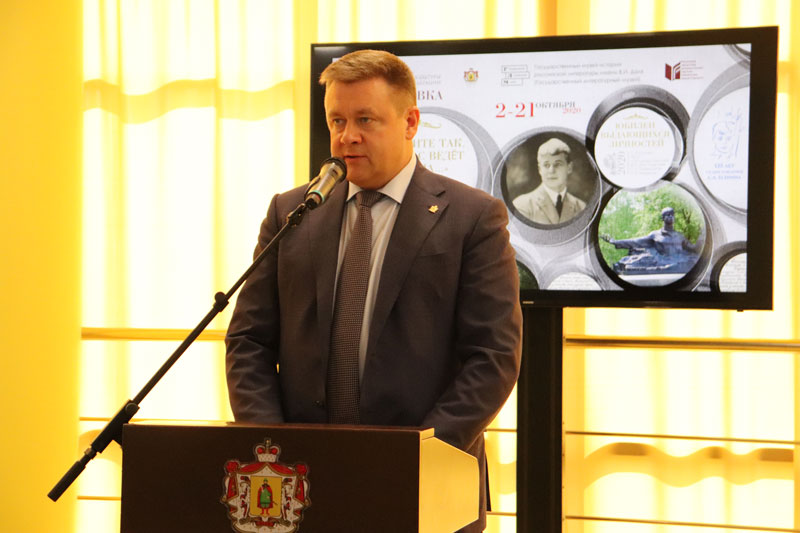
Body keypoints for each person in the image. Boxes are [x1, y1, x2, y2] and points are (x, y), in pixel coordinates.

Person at [225, 49, 522, 532]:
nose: (347, 136)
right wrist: (272, 447)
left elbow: (493, 356)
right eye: (337, 121)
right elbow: (249, 341)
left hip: (428, 479)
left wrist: (417, 453)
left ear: (410, 122)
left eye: (365, 119)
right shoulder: (292, 212)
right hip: (301, 483)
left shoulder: (473, 217)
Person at [601, 206, 701, 273]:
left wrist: (703, 239)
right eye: (667, 215)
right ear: (663, 218)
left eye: (672, 214)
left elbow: (693, 248)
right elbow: (636, 242)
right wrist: (615, 242)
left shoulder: (680, 236)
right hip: (663, 263)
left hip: (681, 262)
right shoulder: (655, 235)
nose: (671, 216)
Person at [512, 137, 586, 225]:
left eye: (557, 164)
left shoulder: (581, 207)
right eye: (546, 165)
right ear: (540, 169)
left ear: (569, 168)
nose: (551, 171)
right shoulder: (522, 205)